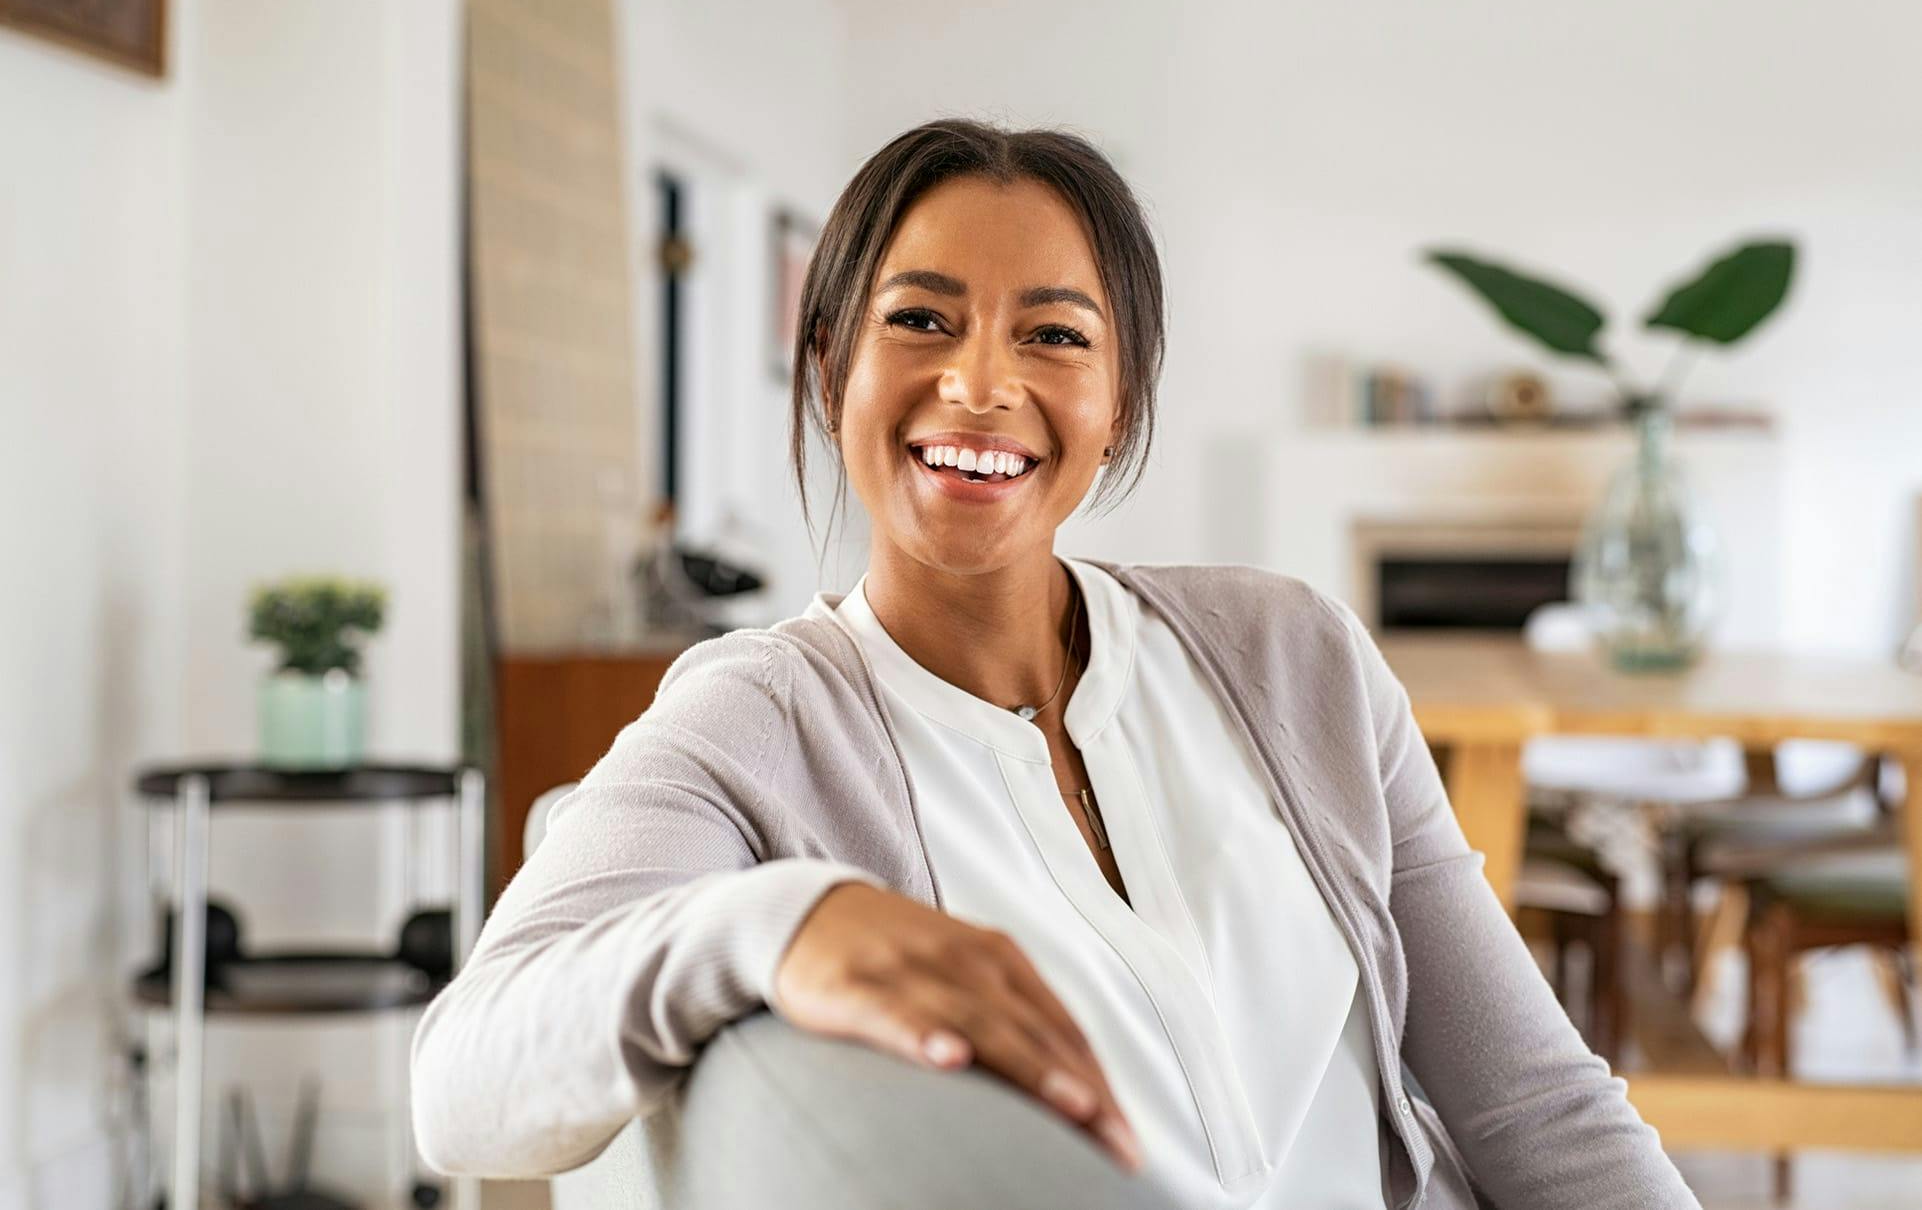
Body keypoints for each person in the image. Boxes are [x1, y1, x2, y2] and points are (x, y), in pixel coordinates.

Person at [411, 119, 1702, 1210]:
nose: (978, 383)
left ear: (1121, 401)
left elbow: (1536, 1102)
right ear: (828, 368)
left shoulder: (1295, 655)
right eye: (919, 318)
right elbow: (458, 1086)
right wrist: (779, 919)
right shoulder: (758, 716)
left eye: (1054, 335)